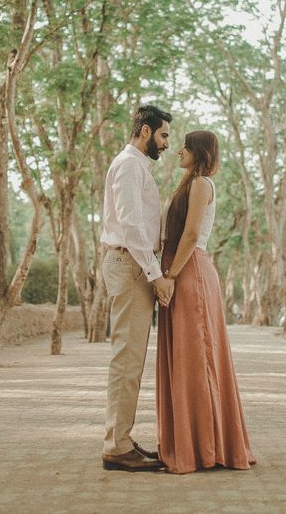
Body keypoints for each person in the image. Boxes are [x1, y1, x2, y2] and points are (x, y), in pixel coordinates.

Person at [157, 130, 256, 474]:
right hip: (180, 270)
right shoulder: (188, 184)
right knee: (188, 359)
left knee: (197, 359)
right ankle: (194, 443)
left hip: (190, 273)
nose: (178, 150)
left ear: (198, 151)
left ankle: (207, 447)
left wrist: (169, 276)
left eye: (184, 145)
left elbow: (193, 234)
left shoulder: (200, 184)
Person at [99, 104, 175, 472]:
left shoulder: (137, 166)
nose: (165, 144)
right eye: (162, 136)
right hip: (130, 266)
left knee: (131, 360)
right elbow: (130, 226)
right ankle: (116, 446)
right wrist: (155, 274)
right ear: (145, 131)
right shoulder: (129, 165)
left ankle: (122, 440)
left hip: (134, 267)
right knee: (127, 361)